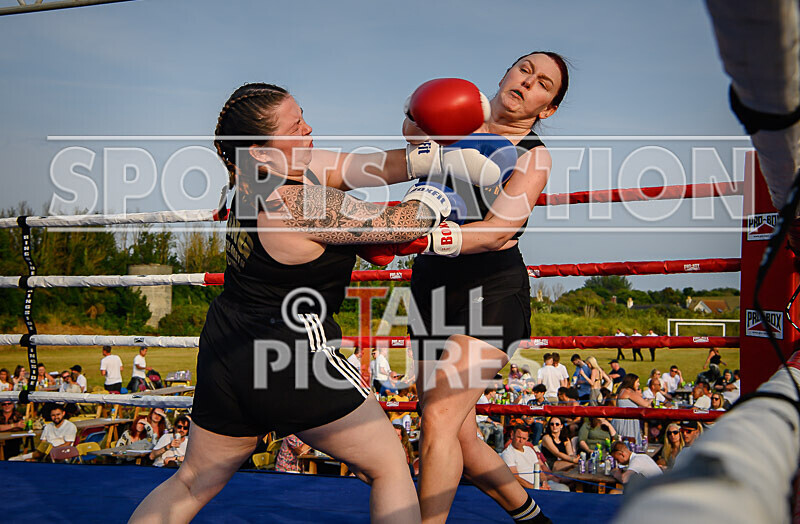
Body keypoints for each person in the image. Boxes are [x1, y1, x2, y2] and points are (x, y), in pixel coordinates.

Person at [129, 82, 482, 523]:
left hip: (227, 348)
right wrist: (438, 194)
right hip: (289, 351)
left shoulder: (252, 179)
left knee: (193, 479)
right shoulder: (292, 202)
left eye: (303, 117)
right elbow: (398, 225)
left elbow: (362, 166)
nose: (308, 129)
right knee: (389, 466)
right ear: (260, 150)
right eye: (294, 126)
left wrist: (438, 156)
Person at [399, 51, 567, 524]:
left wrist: (422, 236)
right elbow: (411, 139)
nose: (528, 82)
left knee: (439, 417)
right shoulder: (459, 118)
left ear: (547, 108)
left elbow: (497, 231)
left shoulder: (533, 155)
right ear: (506, 73)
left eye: (543, 84)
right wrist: (420, 111)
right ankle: (532, 517)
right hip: (432, 285)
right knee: (459, 434)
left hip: (490, 288)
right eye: (524, 69)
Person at [501, 426, 570, 492]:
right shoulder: (508, 454)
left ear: (527, 439)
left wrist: (544, 483)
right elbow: (515, 478)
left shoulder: (529, 450)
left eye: (524, 438)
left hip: (538, 485)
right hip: (525, 489)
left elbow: (540, 471)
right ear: (512, 435)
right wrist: (537, 488)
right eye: (519, 437)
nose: (521, 441)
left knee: (564, 489)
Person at [611, 374, 651, 443]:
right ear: (632, 382)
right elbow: (646, 404)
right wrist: (651, 400)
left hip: (622, 421)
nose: (639, 384)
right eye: (637, 382)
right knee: (630, 443)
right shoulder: (629, 392)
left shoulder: (622, 391)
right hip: (627, 423)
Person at [476, 387, 505, 453]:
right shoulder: (482, 400)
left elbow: (485, 417)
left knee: (499, 427)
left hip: (484, 422)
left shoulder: (487, 400)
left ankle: (499, 450)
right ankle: (482, 450)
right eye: (494, 391)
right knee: (486, 430)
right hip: (478, 423)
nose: (495, 393)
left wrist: (493, 422)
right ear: (490, 392)